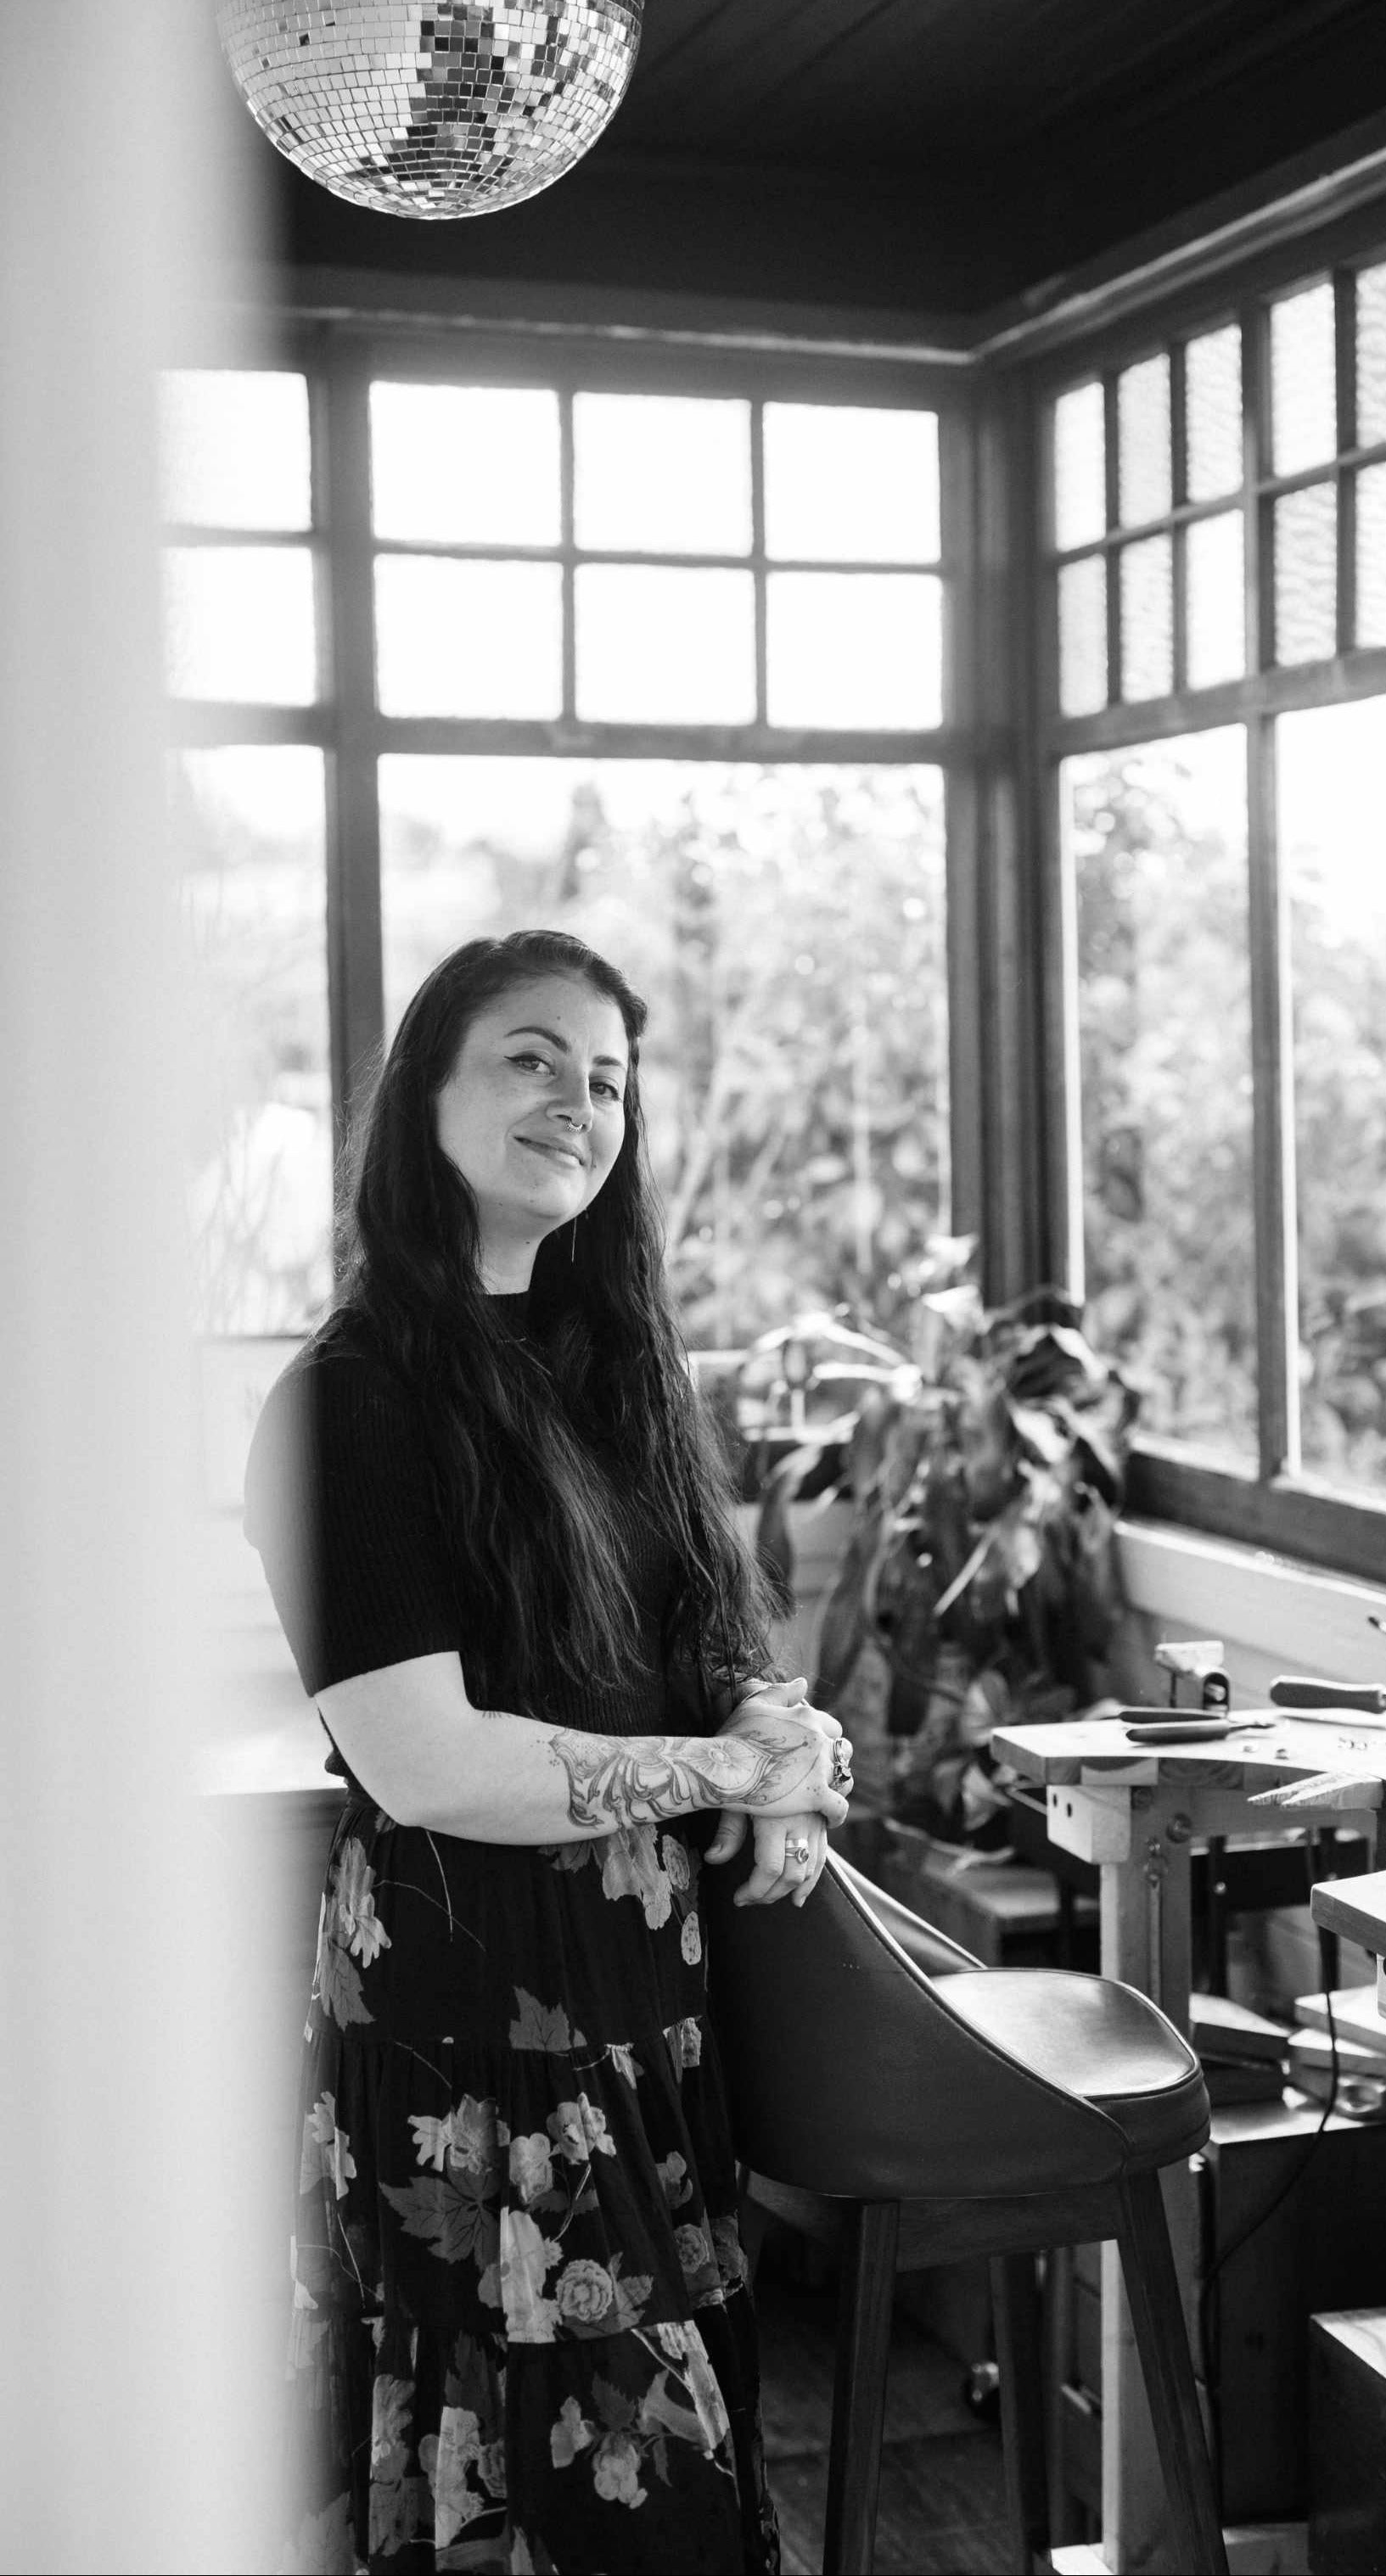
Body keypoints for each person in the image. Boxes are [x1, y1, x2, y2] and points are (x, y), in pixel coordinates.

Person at [244, 927, 853, 2574]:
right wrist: (729, 1775)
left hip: (649, 2027)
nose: (573, 1102)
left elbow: (709, 1627)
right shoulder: (346, 1402)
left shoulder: (617, 1361)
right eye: (527, 1057)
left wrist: (767, 1722)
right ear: (423, 1093)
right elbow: (426, 1763)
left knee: (674, 2502)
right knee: (546, 2511)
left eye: (603, 1077)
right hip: (470, 2049)